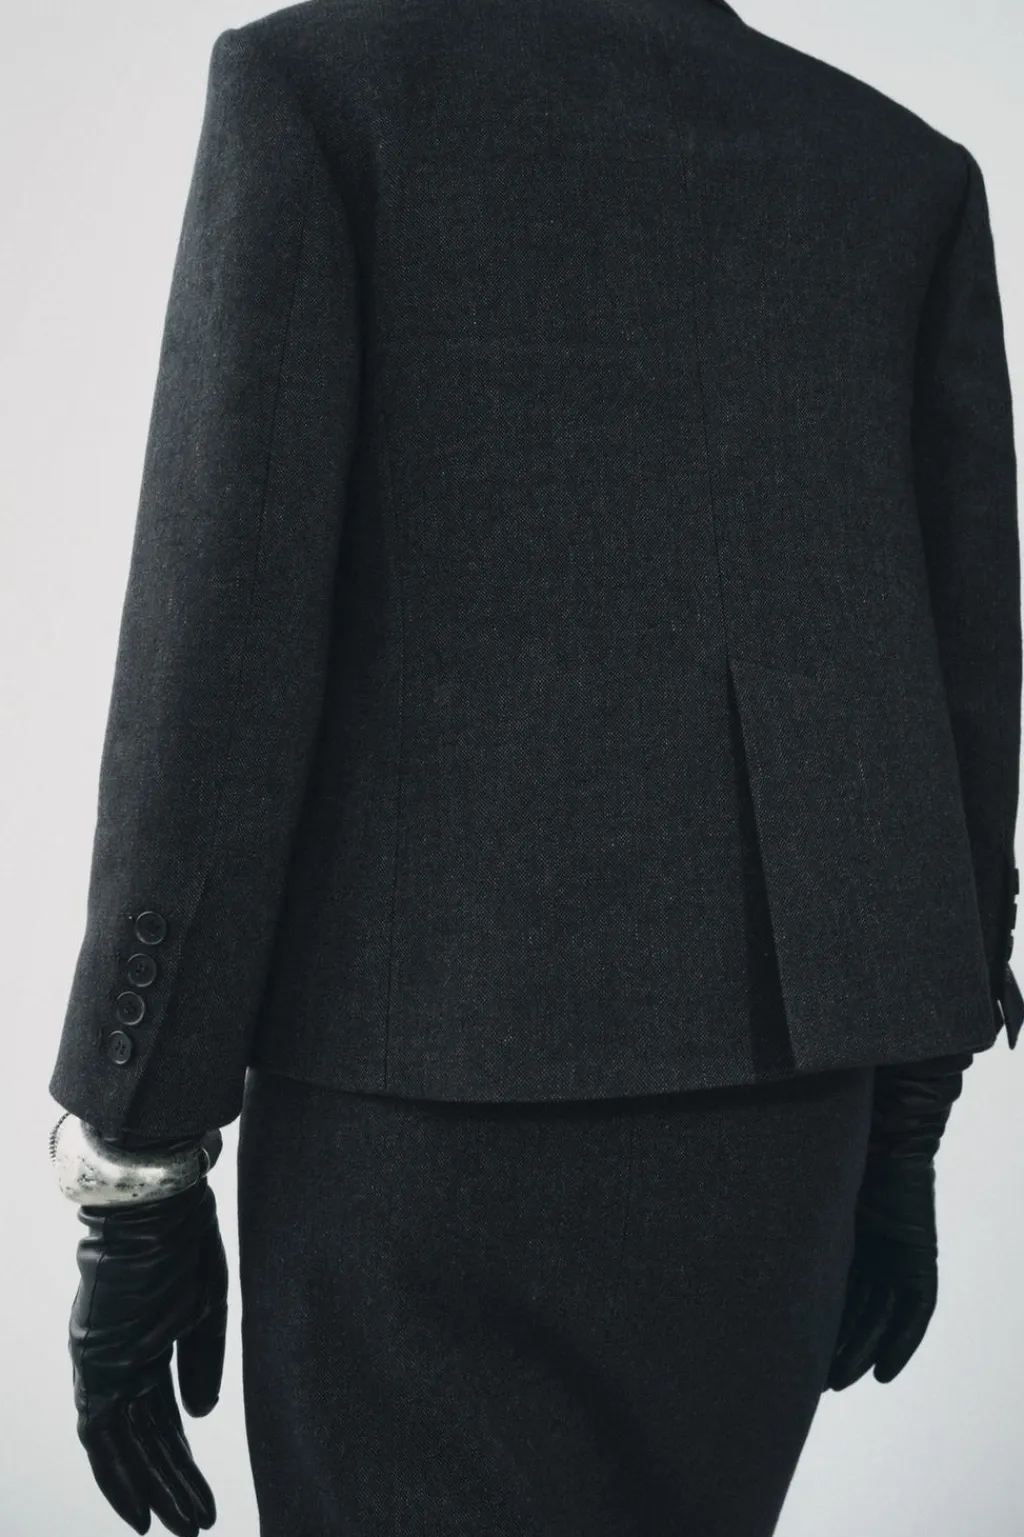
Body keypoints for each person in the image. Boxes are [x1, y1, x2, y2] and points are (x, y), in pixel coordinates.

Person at [47, 0, 1022, 1533]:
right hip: (784, 1124)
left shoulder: (317, 89)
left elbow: (222, 636)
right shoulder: (896, 171)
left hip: (414, 1113)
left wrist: (138, 1162)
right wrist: (908, 1111)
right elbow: (969, 668)